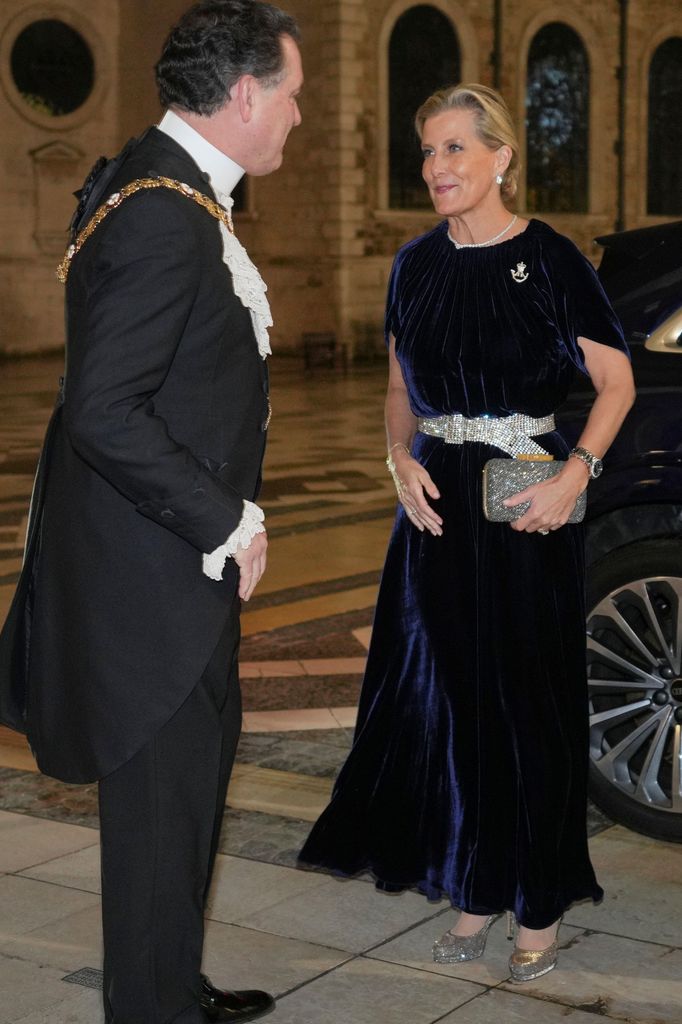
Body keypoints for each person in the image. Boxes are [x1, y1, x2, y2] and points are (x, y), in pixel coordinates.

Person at [0, 2, 303, 1021]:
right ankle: (150, 1006)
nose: (299, 119)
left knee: (185, 801)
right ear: (248, 93)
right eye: (295, 97)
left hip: (168, 568)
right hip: (153, 582)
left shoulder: (155, 179)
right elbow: (102, 411)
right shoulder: (166, 217)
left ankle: (170, 983)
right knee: (157, 811)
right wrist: (227, 518)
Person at [299, 83, 635, 982]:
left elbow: (616, 384)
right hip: (438, 506)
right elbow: (400, 391)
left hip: (526, 499)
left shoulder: (552, 260)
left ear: (501, 157)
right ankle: (475, 887)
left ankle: (539, 901)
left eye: (455, 149)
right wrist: (396, 460)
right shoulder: (414, 266)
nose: (437, 168)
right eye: (427, 152)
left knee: (530, 702)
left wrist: (577, 474)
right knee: (451, 705)